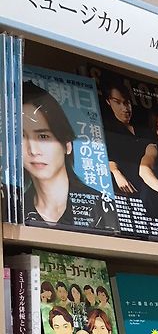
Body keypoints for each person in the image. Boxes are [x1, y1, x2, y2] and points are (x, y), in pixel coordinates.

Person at [22, 80, 115, 229]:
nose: (33, 150)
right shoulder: (15, 208)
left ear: (67, 144)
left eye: (43, 137)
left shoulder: (102, 208)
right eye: (22, 137)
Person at [101, 75, 149, 196]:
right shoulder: (107, 129)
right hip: (127, 190)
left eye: (127, 102)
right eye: (117, 102)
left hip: (149, 187)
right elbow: (104, 155)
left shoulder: (142, 128)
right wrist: (116, 173)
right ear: (108, 102)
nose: (125, 108)